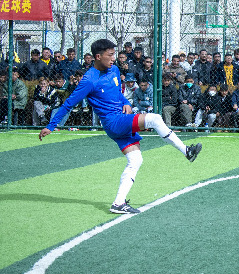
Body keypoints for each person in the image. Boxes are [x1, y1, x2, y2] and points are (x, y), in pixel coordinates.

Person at [40, 38, 202, 214]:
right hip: (113, 123)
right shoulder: (89, 80)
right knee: (155, 119)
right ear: (98, 56)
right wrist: (51, 125)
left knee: (136, 160)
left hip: (120, 119)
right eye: (110, 55)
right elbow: (68, 104)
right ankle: (187, 151)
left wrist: (125, 102)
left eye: (114, 55)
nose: (113, 58)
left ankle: (118, 203)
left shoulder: (114, 70)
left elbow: (118, 93)